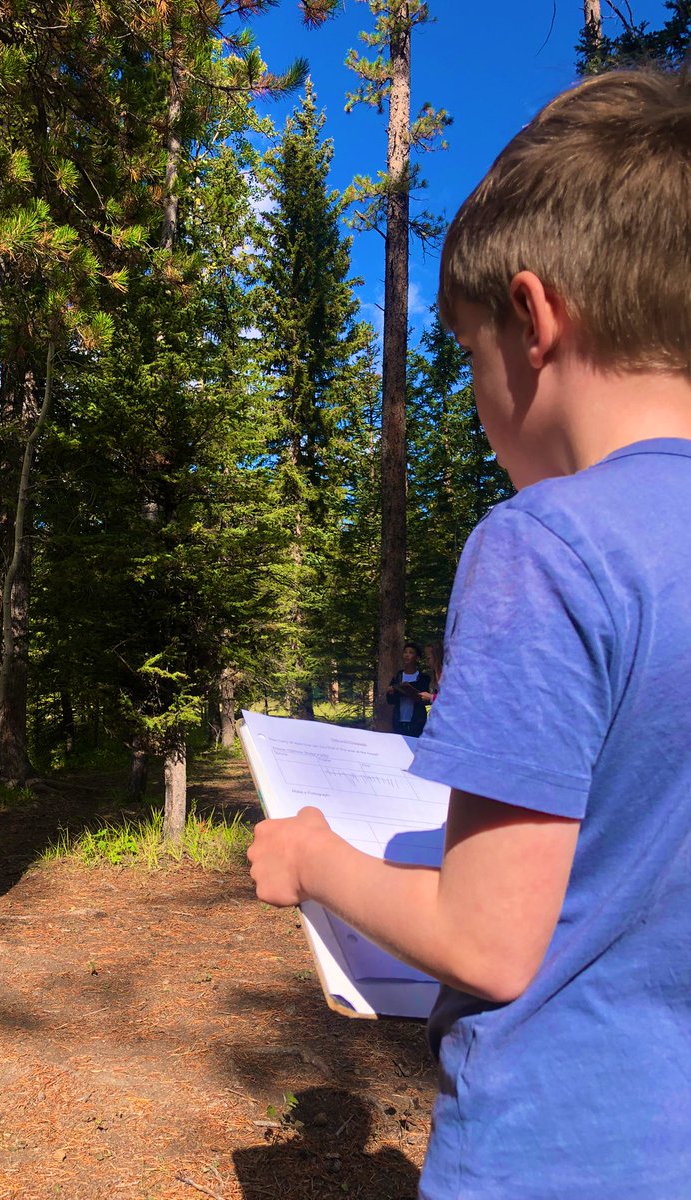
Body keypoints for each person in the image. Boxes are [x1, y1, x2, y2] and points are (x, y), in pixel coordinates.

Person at [248, 67, 691, 1199]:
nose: (479, 399)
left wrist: (313, 858)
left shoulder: (546, 542)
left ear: (534, 320)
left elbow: (489, 941)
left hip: (562, 1147)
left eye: (467, 357)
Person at [386, 641, 431, 736]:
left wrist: (402, 689)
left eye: (411, 653)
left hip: (417, 722)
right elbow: (390, 701)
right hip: (399, 722)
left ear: (417, 658)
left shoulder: (423, 678)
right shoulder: (397, 677)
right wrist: (390, 693)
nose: (407, 655)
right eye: (405, 652)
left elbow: (424, 698)